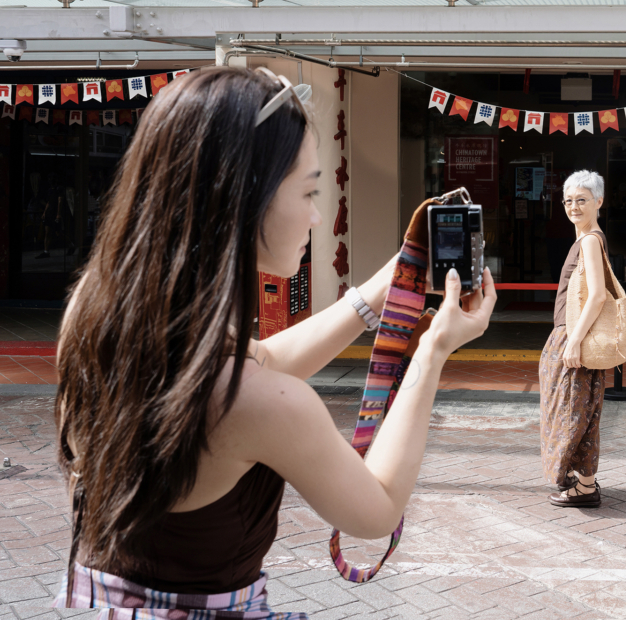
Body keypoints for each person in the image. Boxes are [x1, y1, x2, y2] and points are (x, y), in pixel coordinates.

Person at [54, 65, 495, 617]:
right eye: (309, 190)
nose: (316, 215)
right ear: (241, 198)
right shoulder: (259, 403)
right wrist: (432, 349)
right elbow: (376, 510)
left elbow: (264, 359)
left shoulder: (96, 314)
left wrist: (381, 290)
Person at [539, 170, 610, 508]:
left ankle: (585, 486)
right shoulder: (587, 239)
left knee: (572, 412)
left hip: (572, 337)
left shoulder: (590, 241)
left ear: (599, 201)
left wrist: (574, 341)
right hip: (570, 336)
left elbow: (597, 295)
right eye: (568, 201)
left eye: (582, 200)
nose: (574, 207)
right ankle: (582, 481)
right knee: (579, 410)